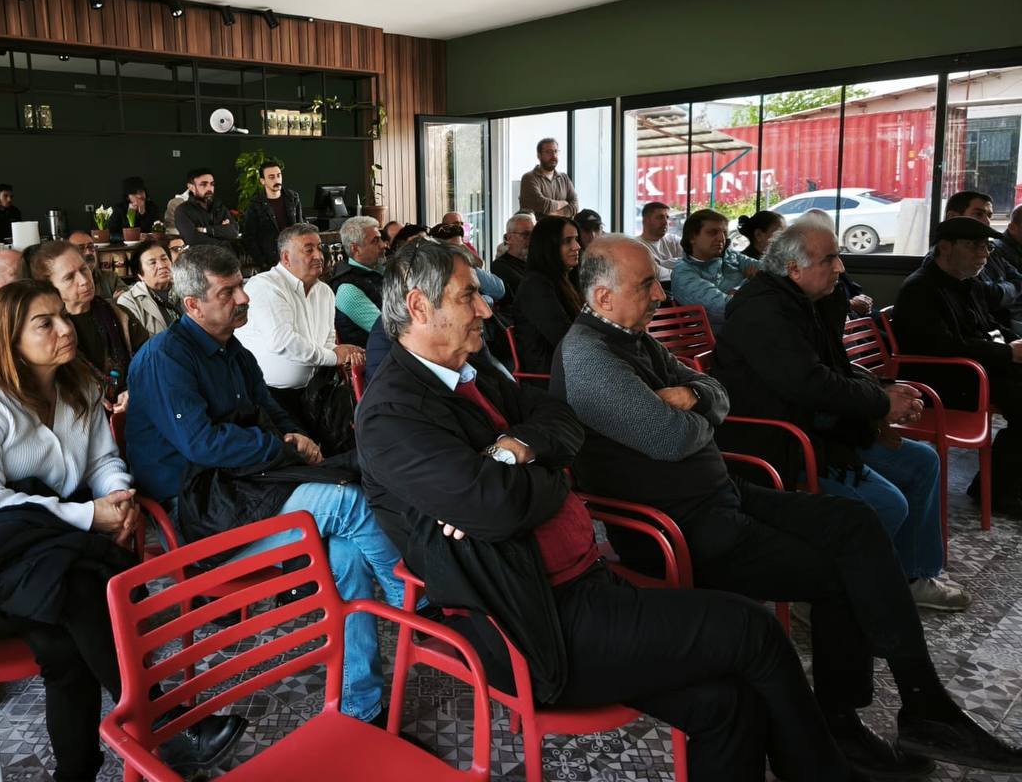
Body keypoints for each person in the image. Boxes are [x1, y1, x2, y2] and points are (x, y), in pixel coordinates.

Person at [356, 238, 867, 782]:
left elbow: (561, 420)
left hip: (582, 587)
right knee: (754, 631)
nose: (486, 309)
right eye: (469, 296)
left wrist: (518, 450)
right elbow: (502, 508)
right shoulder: (393, 415)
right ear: (419, 307)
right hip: (531, 627)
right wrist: (549, 473)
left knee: (727, 703)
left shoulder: (469, 370)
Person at [551, 236, 1021, 775]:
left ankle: (922, 702)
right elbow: (673, 438)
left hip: (719, 494)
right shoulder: (589, 358)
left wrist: (694, 398)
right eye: (647, 285)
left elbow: (714, 390)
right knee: (842, 573)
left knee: (855, 522)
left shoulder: (628, 337)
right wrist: (698, 410)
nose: (661, 293)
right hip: (678, 528)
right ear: (604, 297)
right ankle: (846, 725)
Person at [0, 280, 245, 780]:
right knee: (83, 588)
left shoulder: (78, 386)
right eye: (44, 323)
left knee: (65, 646)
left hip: (43, 554)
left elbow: (102, 461)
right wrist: (89, 516)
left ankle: (87, 768)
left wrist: (117, 497)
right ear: (9, 338)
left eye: (63, 316)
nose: (65, 329)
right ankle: (163, 726)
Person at [124, 245, 407, 728]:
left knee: (348, 555)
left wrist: (294, 437)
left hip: (243, 487)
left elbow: (268, 409)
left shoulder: (232, 349)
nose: (244, 298)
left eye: (241, 285)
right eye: (227, 292)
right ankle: (418, 607)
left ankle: (361, 707)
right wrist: (282, 447)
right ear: (192, 305)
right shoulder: (164, 359)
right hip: (197, 512)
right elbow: (202, 444)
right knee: (349, 503)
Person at [709, 221, 965, 608]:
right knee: (887, 503)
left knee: (922, 462)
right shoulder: (762, 311)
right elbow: (810, 384)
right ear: (793, 269)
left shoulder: (807, 302)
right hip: (781, 440)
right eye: (829, 259)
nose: (840, 267)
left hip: (819, 424)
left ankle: (911, 574)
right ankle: (821, 592)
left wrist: (882, 392)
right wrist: (880, 404)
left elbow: (835, 371)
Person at [892, 216, 1022, 516]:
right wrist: (1007, 353)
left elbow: (988, 327)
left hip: (975, 370)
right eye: (974, 246)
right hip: (942, 381)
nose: (983, 254)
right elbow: (944, 347)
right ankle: (997, 491)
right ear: (946, 247)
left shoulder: (967, 283)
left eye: (987, 247)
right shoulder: (920, 289)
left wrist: (1012, 343)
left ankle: (999, 483)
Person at [235, 223, 364, 425]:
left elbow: (327, 341)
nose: (319, 255)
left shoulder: (324, 291)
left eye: (319, 248)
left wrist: (344, 353)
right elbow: (283, 342)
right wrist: (333, 356)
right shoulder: (265, 286)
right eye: (308, 250)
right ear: (286, 257)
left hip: (314, 391)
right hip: (269, 397)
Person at [31, 241, 148, 412]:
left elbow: (149, 360)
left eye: (84, 269)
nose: (84, 280)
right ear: (50, 287)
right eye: (69, 278)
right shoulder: (48, 333)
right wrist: (85, 397)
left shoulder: (118, 314)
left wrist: (133, 390)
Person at [512, 215, 582, 376]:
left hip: (570, 369)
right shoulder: (535, 286)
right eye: (568, 241)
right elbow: (565, 338)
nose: (577, 246)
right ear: (548, 246)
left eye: (576, 239)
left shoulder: (563, 279)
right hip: (550, 378)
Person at [944, 190, 1022, 334]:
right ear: (953, 217)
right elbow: (989, 296)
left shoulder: (991, 250)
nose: (987, 222)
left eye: (989, 216)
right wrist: (1006, 289)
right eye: (978, 214)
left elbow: (1018, 281)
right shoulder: (950, 262)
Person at [672, 208, 759, 329]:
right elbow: (726, 309)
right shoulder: (683, 273)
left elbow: (770, 271)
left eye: (724, 232)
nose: (721, 238)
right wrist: (751, 282)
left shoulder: (730, 255)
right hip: (727, 334)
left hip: (756, 322)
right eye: (712, 232)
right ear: (692, 237)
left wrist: (737, 292)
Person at [329, 216, 386, 347]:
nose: (383, 245)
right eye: (375, 241)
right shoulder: (347, 289)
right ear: (355, 249)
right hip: (374, 356)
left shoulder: (379, 272)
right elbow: (388, 331)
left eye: (381, 239)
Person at [243, 160, 305, 272]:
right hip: (270, 261)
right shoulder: (255, 204)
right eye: (271, 177)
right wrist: (263, 263)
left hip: (294, 256)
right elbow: (249, 237)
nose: (277, 180)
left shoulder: (292, 197)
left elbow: (300, 227)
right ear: (262, 181)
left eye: (278, 175)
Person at [116, 238, 182, 336]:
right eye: (152, 263)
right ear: (140, 274)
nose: (162, 266)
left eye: (164, 259)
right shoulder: (129, 301)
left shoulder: (186, 288)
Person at [174, 167, 239, 251]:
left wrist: (206, 230)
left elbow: (234, 231)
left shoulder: (219, 206)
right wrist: (222, 235)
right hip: (200, 257)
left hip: (227, 256)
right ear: (191, 187)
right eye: (203, 184)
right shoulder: (182, 210)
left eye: (212, 184)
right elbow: (193, 240)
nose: (209, 188)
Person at [519, 138, 578, 218]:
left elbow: (575, 205)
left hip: (562, 226)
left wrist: (555, 214)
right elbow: (543, 205)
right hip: (539, 226)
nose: (553, 156)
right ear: (539, 155)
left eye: (555, 151)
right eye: (548, 152)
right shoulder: (529, 178)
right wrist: (563, 203)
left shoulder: (564, 178)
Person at [67, 231, 124, 300]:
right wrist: (112, 302)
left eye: (91, 247)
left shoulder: (110, 278)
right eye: (81, 248)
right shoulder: (66, 283)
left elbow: (127, 299)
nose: (88, 252)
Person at [490, 212, 534, 299]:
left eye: (534, 234)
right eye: (525, 235)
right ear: (509, 238)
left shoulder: (536, 261)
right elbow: (528, 291)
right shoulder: (500, 266)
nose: (531, 239)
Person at [637, 201, 685, 282]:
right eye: (660, 217)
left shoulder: (673, 240)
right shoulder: (637, 246)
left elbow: (692, 261)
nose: (665, 222)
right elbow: (655, 273)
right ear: (646, 220)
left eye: (667, 217)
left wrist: (662, 263)